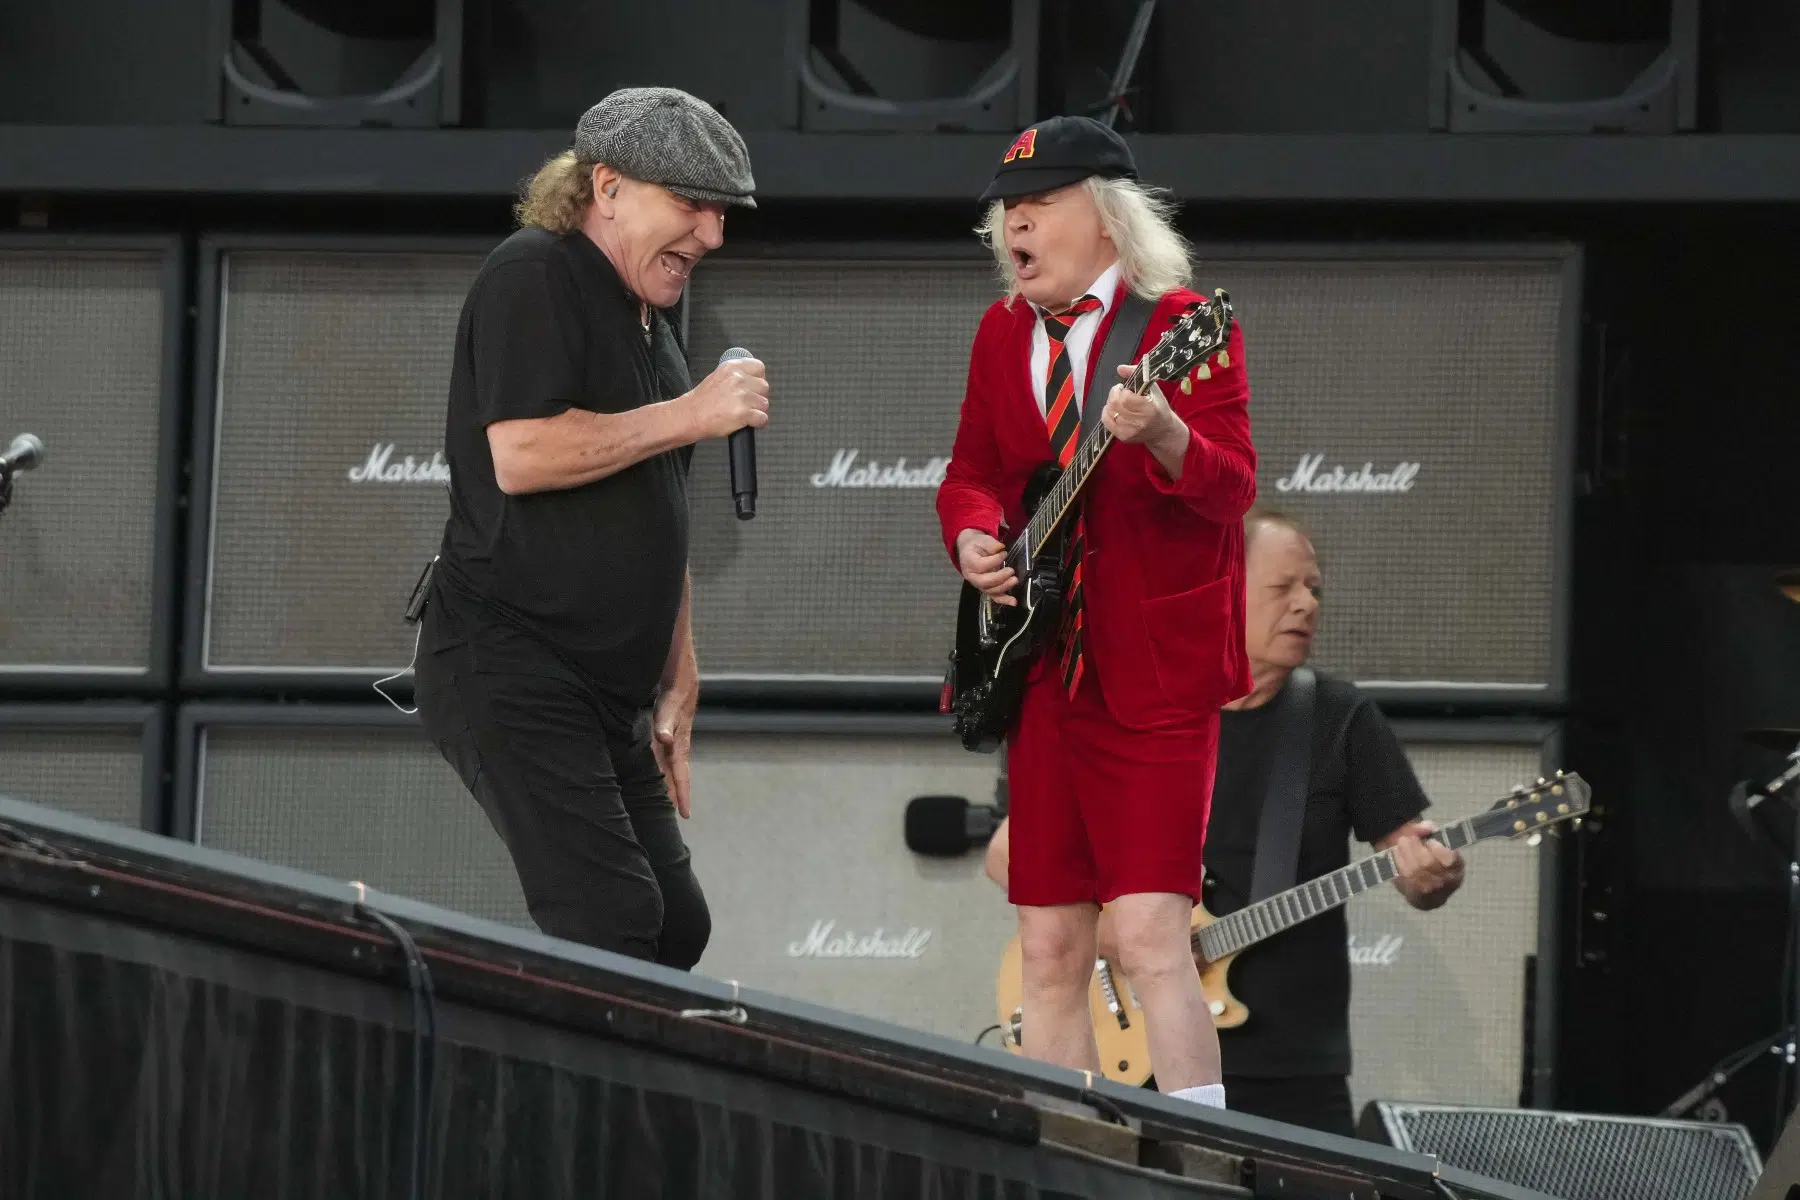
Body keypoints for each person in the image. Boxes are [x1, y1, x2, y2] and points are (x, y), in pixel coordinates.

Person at [937, 114, 1258, 1112]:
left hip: (1155, 674)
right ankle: (1067, 1158)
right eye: (1008, 215)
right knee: (1050, 943)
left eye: (1037, 210)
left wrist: (1162, 433)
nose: (1015, 231)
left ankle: (1205, 1155)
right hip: (1044, 673)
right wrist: (976, 539)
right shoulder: (1000, 335)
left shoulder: (1186, 326)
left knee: (1156, 937)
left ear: (1105, 219)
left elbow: (1231, 489)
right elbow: (973, 475)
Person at [412, 87, 769, 969]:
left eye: (720, 212)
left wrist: (677, 669)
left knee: (675, 928)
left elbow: (660, 507)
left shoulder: (652, 317)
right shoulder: (533, 273)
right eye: (691, 206)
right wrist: (690, 414)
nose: (712, 236)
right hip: (509, 661)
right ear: (607, 188)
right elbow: (524, 454)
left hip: (607, 688)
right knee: (610, 923)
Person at [983, 508, 1466, 1135]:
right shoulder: (1130, 710)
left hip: (1293, 1067)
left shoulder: (1339, 718)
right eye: (1282, 588)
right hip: (1145, 1055)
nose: (1306, 605)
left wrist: (1433, 873)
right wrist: (1118, 935)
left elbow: (1408, 857)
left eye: (1314, 589)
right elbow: (1005, 852)